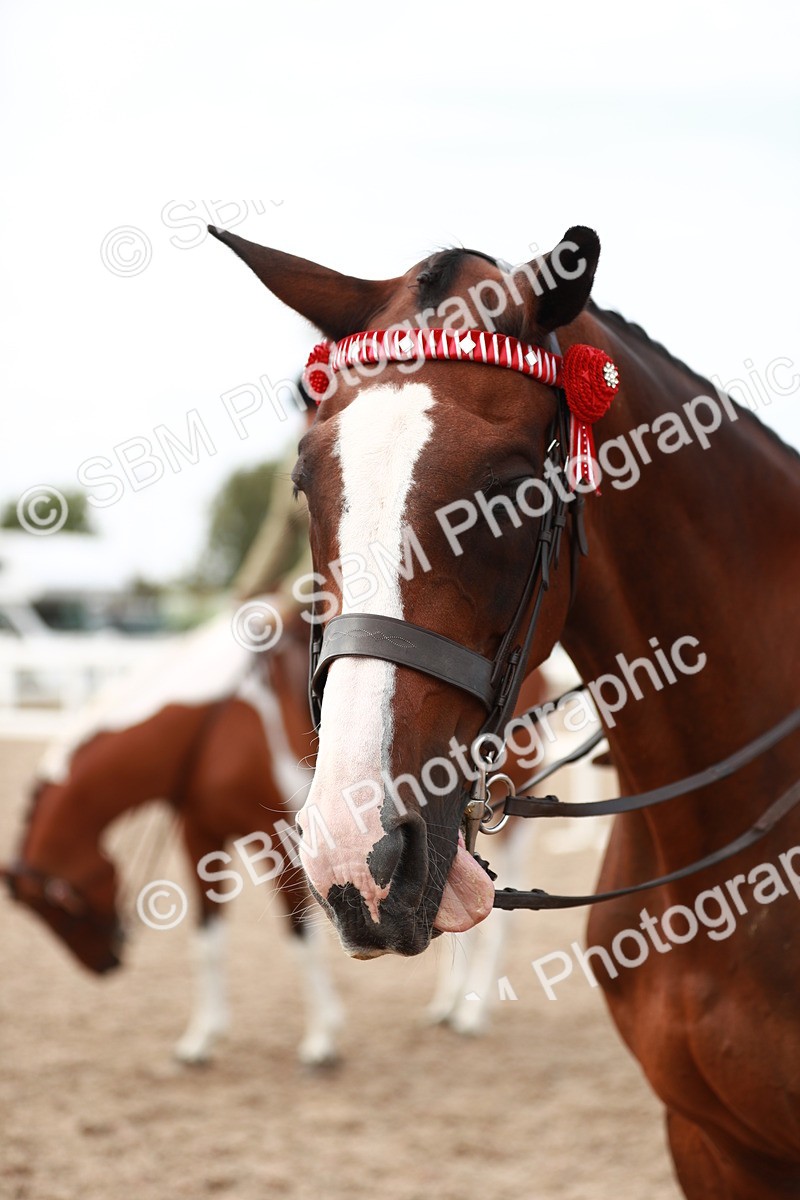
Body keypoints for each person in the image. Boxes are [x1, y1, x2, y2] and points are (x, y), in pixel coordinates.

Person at [233, 381, 315, 617]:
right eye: (307, 413)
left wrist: (289, 599)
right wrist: (244, 592)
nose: (308, 423)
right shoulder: (294, 462)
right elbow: (279, 528)